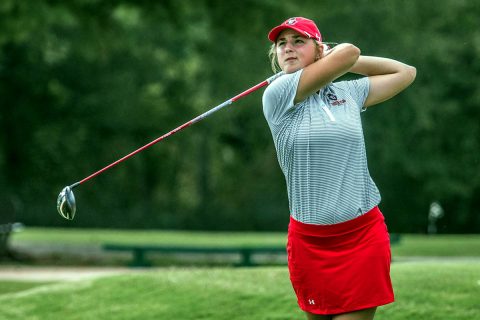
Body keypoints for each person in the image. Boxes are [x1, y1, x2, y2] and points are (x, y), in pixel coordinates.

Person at [262, 17, 416, 320]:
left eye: (298, 41)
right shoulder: (277, 94)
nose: (288, 48)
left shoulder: (348, 93)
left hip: (362, 235)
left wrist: (337, 61)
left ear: (319, 49)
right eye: (282, 44)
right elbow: (347, 54)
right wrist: (334, 58)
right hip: (310, 242)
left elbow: (405, 72)